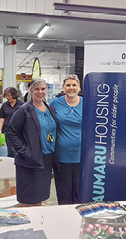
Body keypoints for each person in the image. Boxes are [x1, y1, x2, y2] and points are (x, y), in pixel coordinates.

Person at [6, 77, 58, 206]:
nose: (40, 92)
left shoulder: (49, 109)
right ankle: (26, 225)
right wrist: (24, 151)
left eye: (43, 89)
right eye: (37, 89)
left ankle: (37, 224)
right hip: (29, 161)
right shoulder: (23, 110)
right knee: (29, 200)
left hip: (46, 160)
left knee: (40, 197)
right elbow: (11, 132)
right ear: (31, 90)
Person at [49, 74, 83, 204]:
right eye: (68, 85)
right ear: (63, 88)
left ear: (79, 88)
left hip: (81, 157)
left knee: (79, 192)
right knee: (64, 193)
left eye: (74, 85)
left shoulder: (86, 103)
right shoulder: (55, 103)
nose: (71, 88)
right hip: (61, 157)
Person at [0, 87, 24, 158]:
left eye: (9, 95)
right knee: (10, 151)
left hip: (19, 131)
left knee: (19, 150)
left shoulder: (22, 105)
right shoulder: (5, 105)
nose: (7, 98)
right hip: (8, 131)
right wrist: (0, 130)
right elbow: (2, 118)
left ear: (14, 94)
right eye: (6, 96)